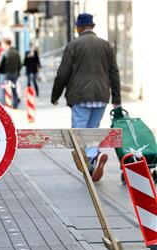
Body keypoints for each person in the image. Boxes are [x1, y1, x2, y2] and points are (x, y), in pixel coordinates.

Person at [50, 13, 121, 182]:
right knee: (93, 130)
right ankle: (93, 158)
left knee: (80, 132)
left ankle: (90, 161)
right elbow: (114, 72)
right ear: (92, 26)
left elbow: (63, 73)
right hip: (101, 95)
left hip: (80, 96)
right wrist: (116, 99)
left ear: (79, 27)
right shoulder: (106, 46)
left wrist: (55, 95)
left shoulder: (73, 46)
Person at [0, 38, 22, 108]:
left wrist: (0, 72)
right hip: (14, 73)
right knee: (14, 89)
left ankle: (2, 105)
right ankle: (15, 104)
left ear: (5, 44)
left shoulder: (4, 53)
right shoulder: (16, 52)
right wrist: (18, 72)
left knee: (2, 89)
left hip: (4, 74)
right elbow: (20, 64)